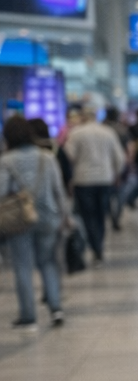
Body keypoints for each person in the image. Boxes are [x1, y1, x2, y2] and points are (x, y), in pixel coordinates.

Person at [1, 116, 67, 328]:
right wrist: (65, 216)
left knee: (23, 266)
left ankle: (28, 315)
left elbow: (1, 191)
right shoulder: (47, 157)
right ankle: (56, 308)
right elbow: (58, 190)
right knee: (48, 262)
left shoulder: (6, 161)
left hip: (20, 219)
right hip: (48, 217)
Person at [64, 108, 124, 262]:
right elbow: (119, 157)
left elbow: (69, 155)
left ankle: (95, 245)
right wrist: (117, 173)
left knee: (87, 215)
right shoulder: (108, 132)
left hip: (83, 179)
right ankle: (99, 244)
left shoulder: (76, 133)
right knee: (101, 214)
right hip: (105, 178)